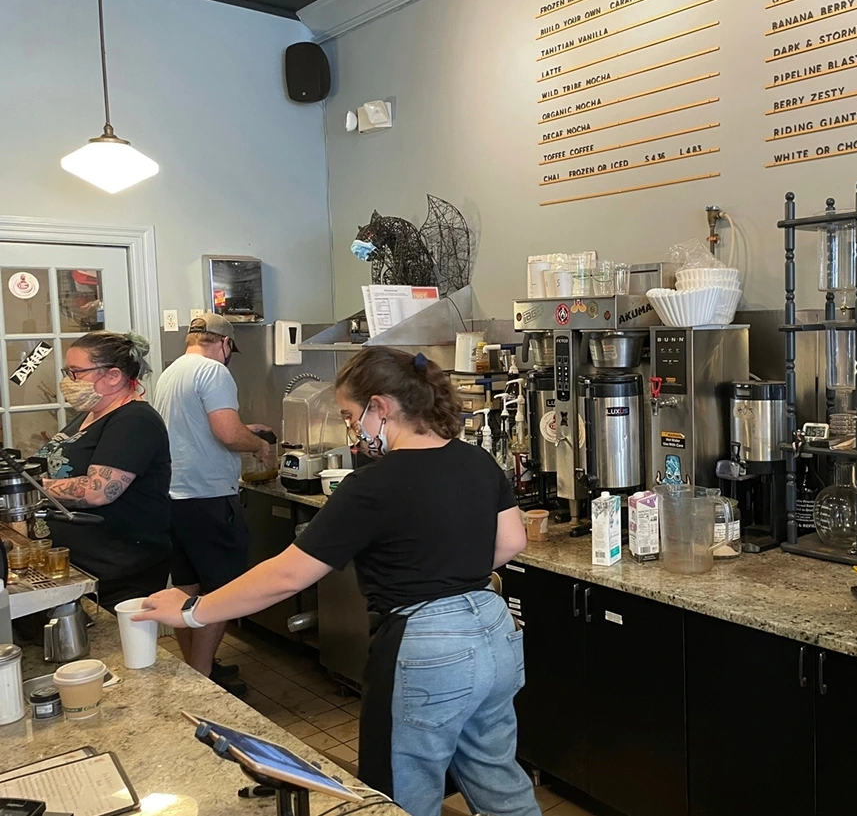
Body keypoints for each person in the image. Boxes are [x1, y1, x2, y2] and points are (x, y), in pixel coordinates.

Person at [138, 347, 541, 816]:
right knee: (496, 777)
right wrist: (446, 566)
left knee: (402, 793)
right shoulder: (476, 460)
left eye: (351, 416)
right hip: (494, 631)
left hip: (427, 644)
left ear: (380, 407)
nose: (353, 428)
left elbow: (286, 574)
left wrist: (192, 611)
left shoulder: (371, 484)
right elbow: (512, 541)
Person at [152, 313, 270, 695]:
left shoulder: (171, 373)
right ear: (224, 343)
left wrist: (243, 429)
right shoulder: (214, 371)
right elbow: (227, 434)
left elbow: (194, 430)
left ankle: (194, 670)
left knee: (186, 589)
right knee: (221, 592)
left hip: (174, 497)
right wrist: (258, 443)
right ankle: (203, 685)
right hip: (209, 496)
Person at [38, 331, 172, 607]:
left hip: (119, 570)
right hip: (82, 565)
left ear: (113, 376)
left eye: (76, 372)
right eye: (67, 372)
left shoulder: (135, 421)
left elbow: (98, 491)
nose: (68, 381)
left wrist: (34, 488)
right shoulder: (88, 415)